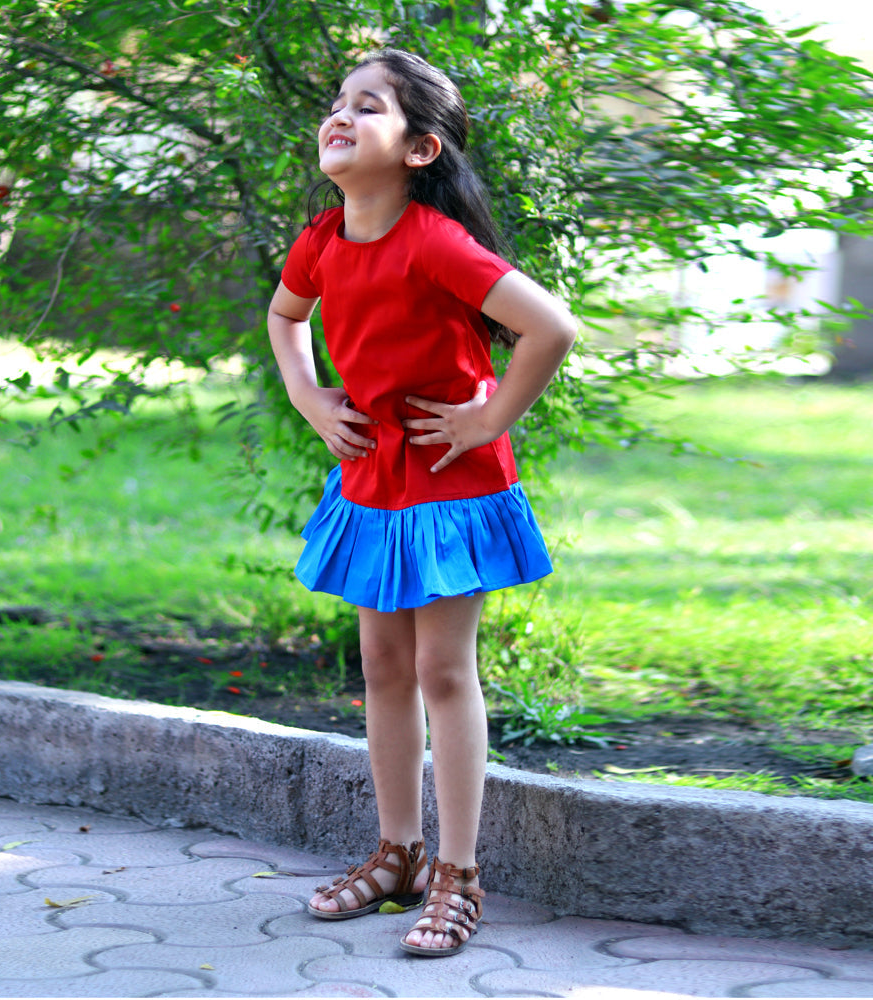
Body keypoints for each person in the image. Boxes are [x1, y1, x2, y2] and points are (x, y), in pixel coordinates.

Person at [267, 48, 577, 958]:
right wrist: (308, 397)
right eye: (339, 101)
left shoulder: (435, 242)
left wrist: (489, 421)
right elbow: (286, 316)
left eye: (369, 105)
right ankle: (397, 854)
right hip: (373, 479)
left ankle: (458, 874)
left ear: (419, 149)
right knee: (383, 667)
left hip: (449, 481)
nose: (342, 114)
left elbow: (551, 327)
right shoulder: (323, 238)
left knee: (443, 671)